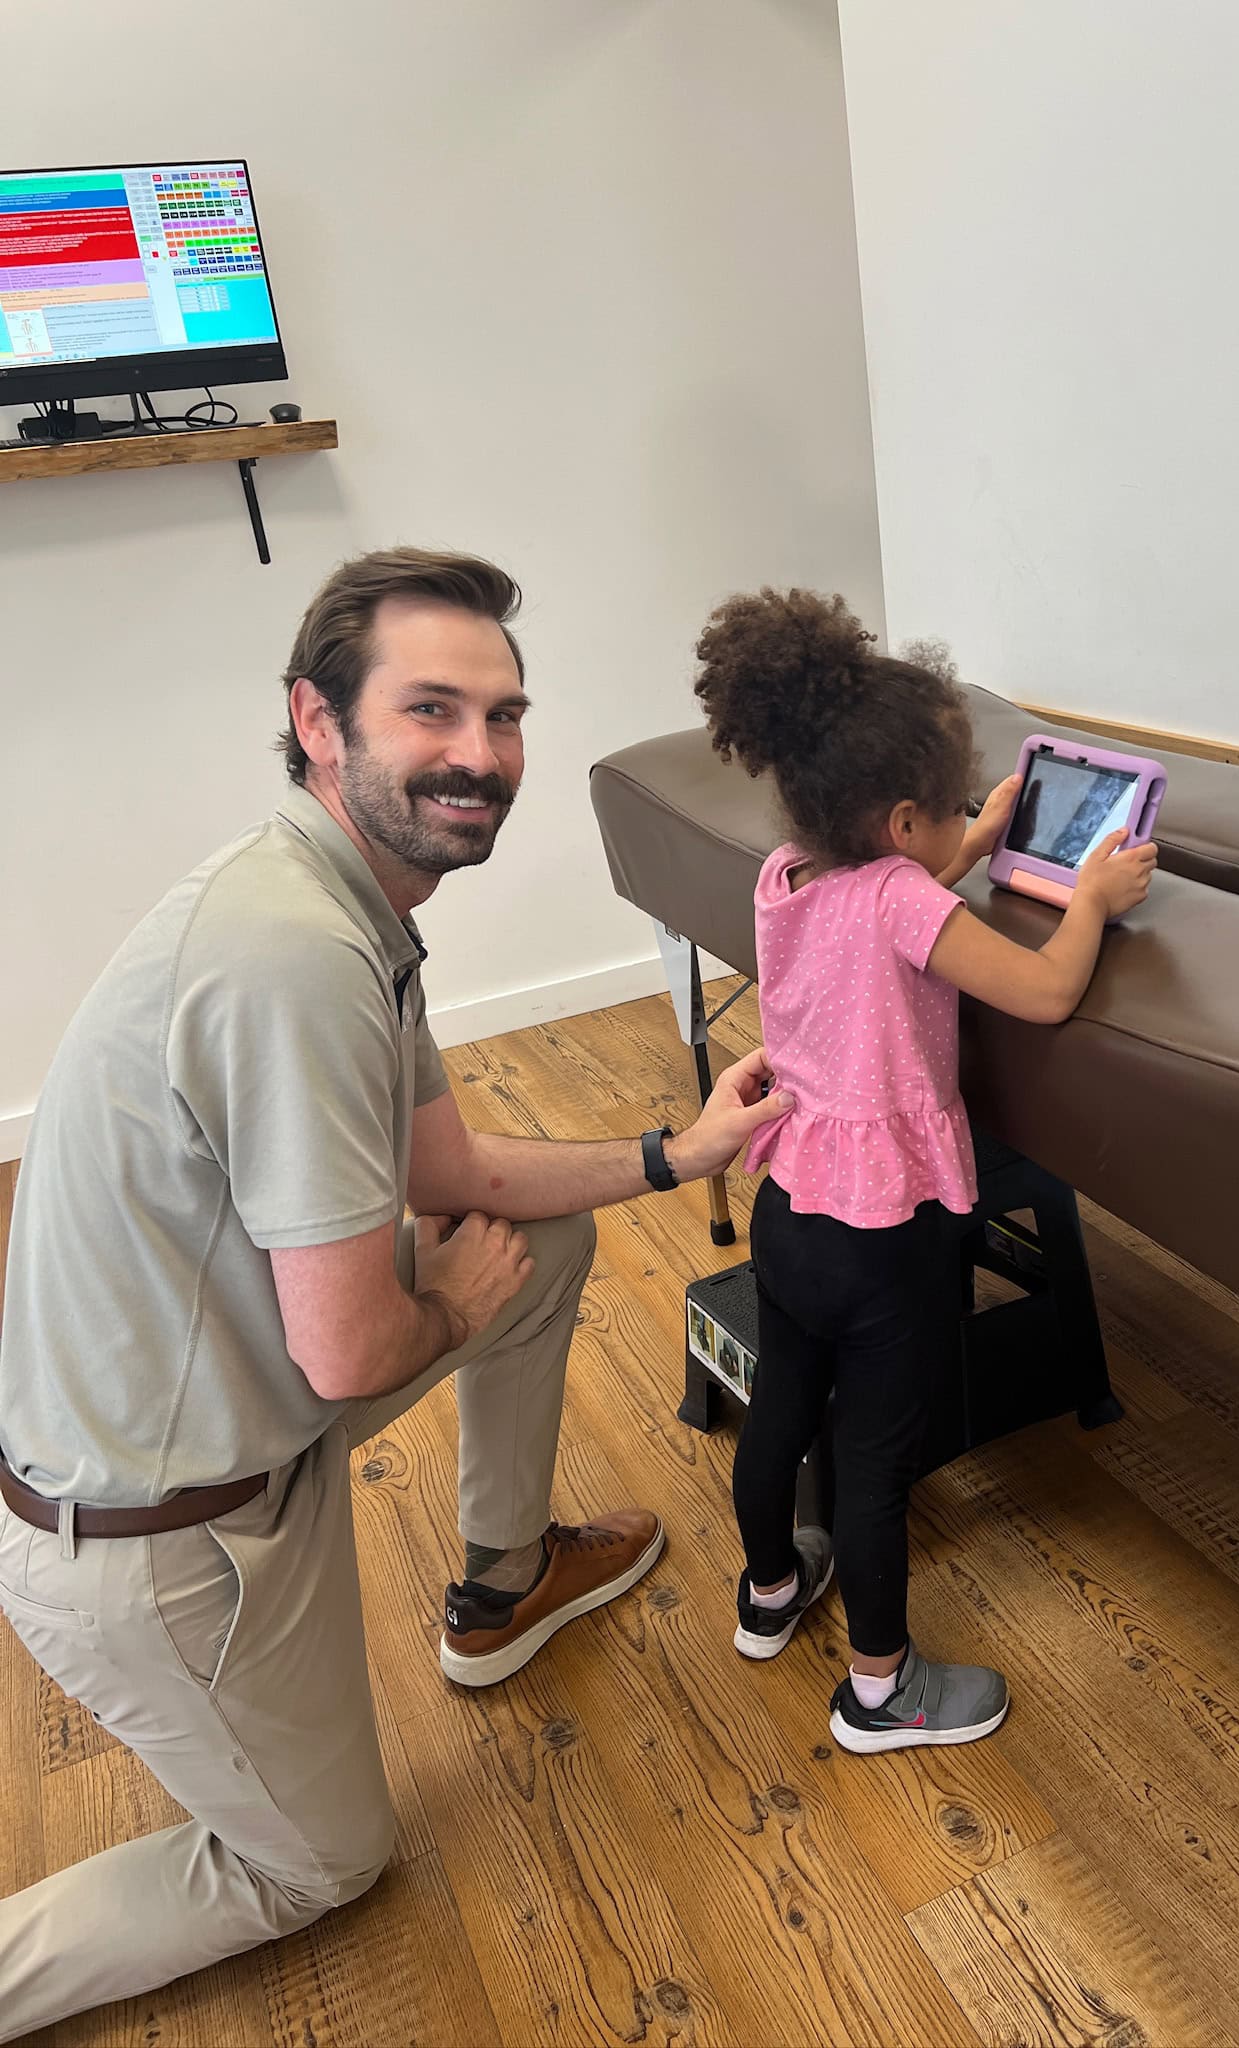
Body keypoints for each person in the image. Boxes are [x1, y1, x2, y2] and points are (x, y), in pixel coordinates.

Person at [0, 547, 787, 2040]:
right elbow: (356, 1348)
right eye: (433, 709)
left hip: (228, 1419)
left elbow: (455, 1170)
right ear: (318, 719)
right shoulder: (293, 956)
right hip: (160, 1540)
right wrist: (449, 1306)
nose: (481, 753)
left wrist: (676, 1152)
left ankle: (502, 1584)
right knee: (315, 1866)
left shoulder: (342, 901)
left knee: (536, 1239)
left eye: (505, 714)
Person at [693, 587, 1156, 1753]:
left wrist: (979, 835)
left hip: (791, 1205)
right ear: (902, 822)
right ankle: (880, 1689)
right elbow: (1042, 989)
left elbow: (883, 910)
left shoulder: (788, 875)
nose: (963, 817)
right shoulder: (904, 895)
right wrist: (1091, 899)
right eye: (952, 805)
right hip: (881, 1235)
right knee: (873, 1459)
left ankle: (768, 1592)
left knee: (783, 1409)